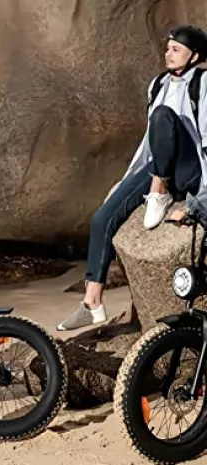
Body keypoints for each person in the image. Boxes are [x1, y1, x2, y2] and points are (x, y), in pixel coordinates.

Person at [57, 24, 207, 332]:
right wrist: (126, 183)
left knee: (163, 116)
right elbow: (149, 144)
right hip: (160, 165)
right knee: (102, 218)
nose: (168, 53)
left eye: (176, 49)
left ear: (194, 56)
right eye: (167, 48)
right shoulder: (158, 84)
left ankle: (160, 191)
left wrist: (197, 204)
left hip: (190, 169)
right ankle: (92, 303)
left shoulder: (203, 84)